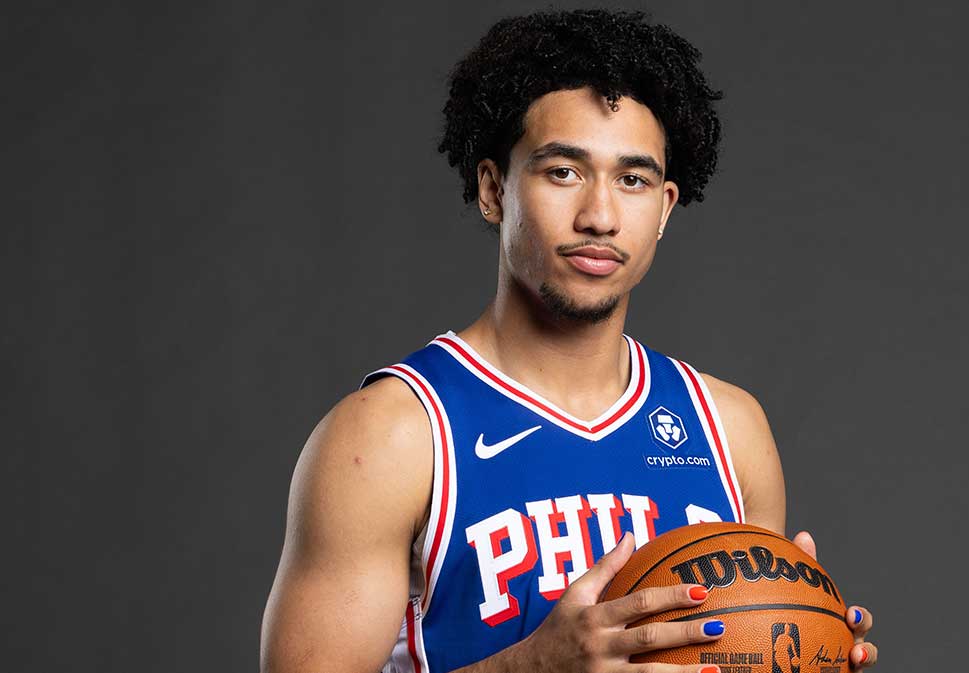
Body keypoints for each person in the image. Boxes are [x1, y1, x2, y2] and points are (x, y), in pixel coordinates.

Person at [261, 9, 877, 673]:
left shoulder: (728, 429)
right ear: (493, 189)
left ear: (665, 207)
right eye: (563, 171)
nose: (601, 216)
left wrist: (805, 647)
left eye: (632, 180)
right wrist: (530, 666)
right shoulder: (391, 435)